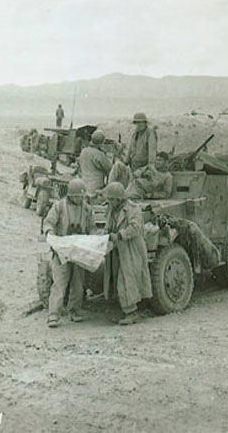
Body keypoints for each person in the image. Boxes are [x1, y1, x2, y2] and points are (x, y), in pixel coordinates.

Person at [43, 179, 96, 328]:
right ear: (70, 195)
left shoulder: (87, 209)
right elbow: (48, 222)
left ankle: (75, 310)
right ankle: (53, 314)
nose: (80, 199)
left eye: (82, 196)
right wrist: (50, 233)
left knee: (78, 283)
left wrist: (91, 238)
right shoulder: (59, 206)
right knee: (59, 282)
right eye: (77, 196)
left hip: (79, 250)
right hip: (62, 250)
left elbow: (92, 227)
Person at [100, 182, 152, 325]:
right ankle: (123, 309)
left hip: (130, 248)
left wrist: (120, 235)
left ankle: (132, 311)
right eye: (109, 200)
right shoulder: (111, 209)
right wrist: (106, 233)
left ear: (120, 199)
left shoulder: (133, 209)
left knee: (127, 279)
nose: (110, 202)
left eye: (112, 199)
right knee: (116, 279)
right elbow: (108, 225)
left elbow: (136, 227)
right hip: (117, 249)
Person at [77, 130, 112, 196]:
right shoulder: (99, 154)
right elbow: (109, 169)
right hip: (96, 188)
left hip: (84, 185)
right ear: (101, 143)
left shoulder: (84, 151)